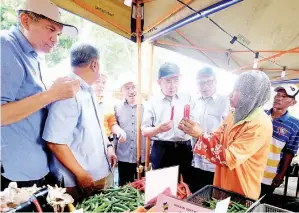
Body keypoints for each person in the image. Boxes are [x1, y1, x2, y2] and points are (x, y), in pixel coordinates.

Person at [1, 0, 80, 189]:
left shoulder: (32, 56)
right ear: (26, 20)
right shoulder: (5, 46)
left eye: (58, 33)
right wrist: (52, 94)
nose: (55, 39)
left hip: (36, 168)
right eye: (50, 29)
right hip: (15, 174)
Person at [179, 70, 272, 200]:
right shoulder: (234, 114)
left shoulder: (260, 124)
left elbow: (230, 158)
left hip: (241, 189)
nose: (230, 95)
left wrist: (200, 135)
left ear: (249, 96)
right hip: (221, 183)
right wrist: (194, 131)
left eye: (235, 91)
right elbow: (216, 137)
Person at [42, 44, 117, 199]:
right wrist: (81, 174)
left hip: (94, 175)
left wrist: (108, 147)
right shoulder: (69, 91)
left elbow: (94, 128)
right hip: (78, 181)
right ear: (95, 65)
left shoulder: (88, 90)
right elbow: (55, 142)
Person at [142, 62, 195, 186]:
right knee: (161, 190)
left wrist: (189, 126)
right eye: (168, 81)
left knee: (184, 187)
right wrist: (158, 129)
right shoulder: (152, 102)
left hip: (184, 149)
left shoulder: (187, 98)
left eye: (176, 81)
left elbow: (194, 122)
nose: (172, 86)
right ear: (159, 82)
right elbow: (144, 131)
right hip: (162, 150)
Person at [189, 67, 229, 193]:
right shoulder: (193, 102)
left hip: (214, 161)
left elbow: (227, 131)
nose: (205, 86)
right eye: (201, 82)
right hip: (195, 159)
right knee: (195, 194)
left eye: (209, 82)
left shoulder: (226, 102)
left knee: (212, 197)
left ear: (216, 82)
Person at [261, 84, 299, 199]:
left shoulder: (295, 125)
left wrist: (281, 174)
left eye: (284, 96)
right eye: (277, 95)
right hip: (249, 169)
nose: (278, 98)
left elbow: (290, 151)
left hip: (270, 174)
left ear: (293, 103)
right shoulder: (260, 115)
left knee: (258, 204)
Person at [94, 72, 127, 188]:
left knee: (108, 177)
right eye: (97, 81)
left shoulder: (108, 102)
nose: (101, 85)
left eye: (103, 82)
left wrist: (119, 131)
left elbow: (112, 122)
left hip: (108, 144)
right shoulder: (84, 100)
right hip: (92, 144)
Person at [114, 75, 146, 186]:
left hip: (143, 157)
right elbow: (114, 129)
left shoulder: (146, 107)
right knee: (124, 189)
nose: (131, 91)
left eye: (133, 87)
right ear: (121, 91)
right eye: (127, 88)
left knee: (142, 189)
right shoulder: (117, 108)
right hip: (124, 156)